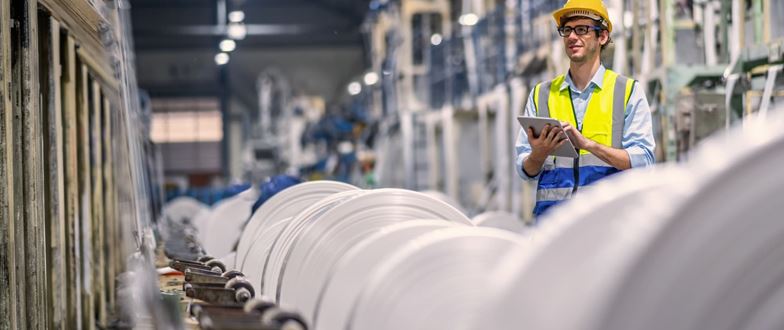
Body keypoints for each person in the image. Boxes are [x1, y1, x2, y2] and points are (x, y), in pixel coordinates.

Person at [515, 0, 655, 218]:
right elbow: (526, 170)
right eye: (567, 30)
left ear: (603, 36)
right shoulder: (542, 95)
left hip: (608, 222)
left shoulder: (627, 91)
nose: (572, 36)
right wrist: (538, 154)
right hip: (554, 224)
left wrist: (587, 144)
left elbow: (643, 160)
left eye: (582, 29)